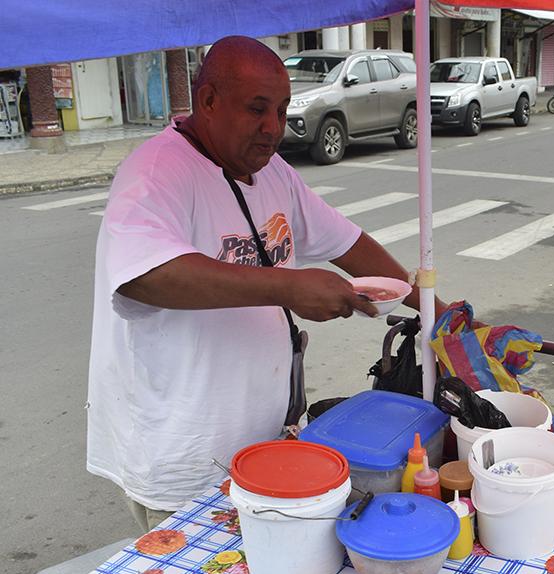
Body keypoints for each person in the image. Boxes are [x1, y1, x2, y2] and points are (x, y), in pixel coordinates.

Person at [87, 36, 445, 532]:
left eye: (281, 110)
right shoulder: (155, 173)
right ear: (208, 101)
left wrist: (440, 316)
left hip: (264, 444)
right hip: (185, 459)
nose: (273, 129)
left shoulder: (272, 170)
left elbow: (349, 243)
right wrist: (287, 286)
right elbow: (146, 277)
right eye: (257, 109)